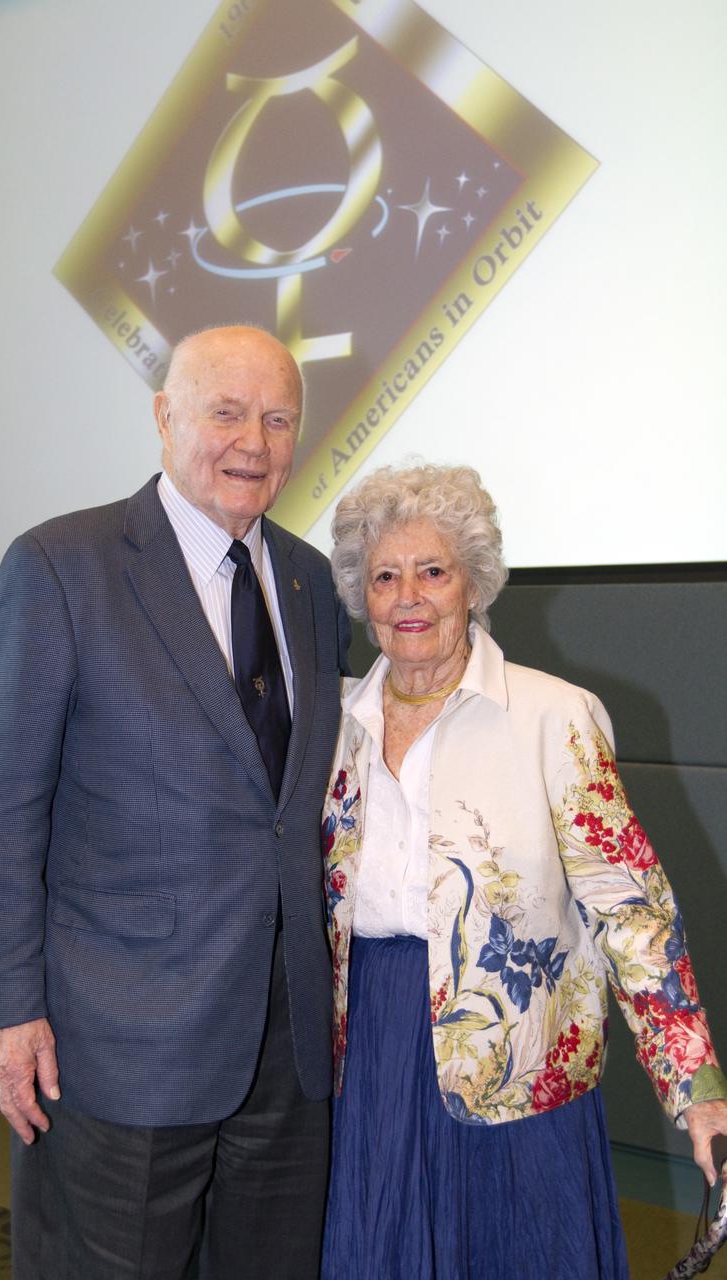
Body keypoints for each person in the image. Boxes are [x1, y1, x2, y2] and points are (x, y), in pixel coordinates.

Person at [0, 325, 351, 1279]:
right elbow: (3, 811)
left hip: (287, 1048)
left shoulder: (311, 581)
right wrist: (10, 1012)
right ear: (164, 417)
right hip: (120, 1042)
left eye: (277, 420)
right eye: (226, 413)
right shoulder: (63, 566)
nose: (252, 443)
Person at [320, 462, 727, 1279]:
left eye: (432, 572)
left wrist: (696, 1087)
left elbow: (629, 910)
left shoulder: (551, 715)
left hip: (519, 1060)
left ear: (473, 584)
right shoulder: (334, 722)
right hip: (370, 1051)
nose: (407, 596)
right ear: (361, 595)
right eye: (385, 577)